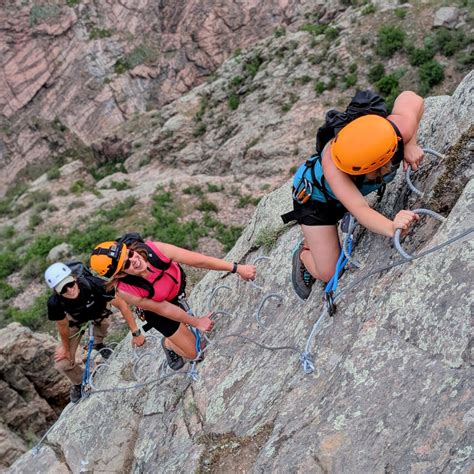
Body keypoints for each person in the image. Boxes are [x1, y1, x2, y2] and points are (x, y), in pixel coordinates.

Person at [284, 91, 424, 299]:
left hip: (343, 192)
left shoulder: (395, 131)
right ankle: (304, 253)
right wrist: (391, 226)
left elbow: (412, 98)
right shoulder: (334, 165)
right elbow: (360, 209)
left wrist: (410, 142)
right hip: (317, 199)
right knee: (329, 271)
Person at [89, 236, 256, 370]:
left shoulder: (155, 250)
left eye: (130, 254)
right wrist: (197, 322)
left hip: (174, 289)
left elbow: (198, 260)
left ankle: (178, 333)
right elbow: (163, 309)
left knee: (187, 329)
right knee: (196, 353)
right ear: (119, 274)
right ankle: (168, 344)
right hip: (158, 311)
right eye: (126, 264)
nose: (135, 260)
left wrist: (236, 268)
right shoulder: (126, 290)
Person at [45, 262, 145, 403]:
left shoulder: (96, 285)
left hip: (98, 310)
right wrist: (66, 350)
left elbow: (122, 305)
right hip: (74, 322)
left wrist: (136, 333)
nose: (69, 290)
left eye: (70, 284)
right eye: (63, 289)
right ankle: (79, 382)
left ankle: (99, 345)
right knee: (63, 364)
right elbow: (62, 328)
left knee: (103, 324)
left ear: (74, 278)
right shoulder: (55, 303)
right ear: (56, 291)